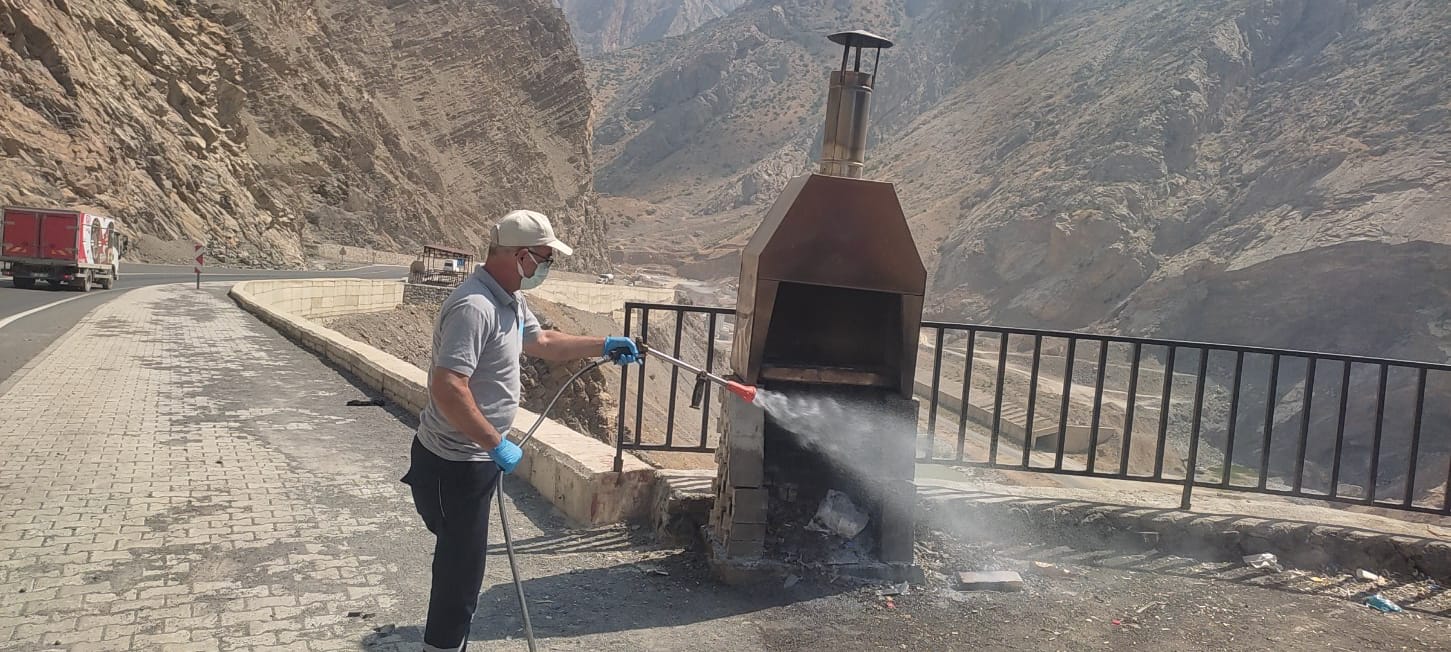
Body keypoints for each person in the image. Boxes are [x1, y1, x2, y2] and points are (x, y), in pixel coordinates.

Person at [401, 209, 640, 651]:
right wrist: (495, 443)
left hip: (474, 460)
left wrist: (602, 344)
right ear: (520, 256)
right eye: (545, 259)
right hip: (452, 463)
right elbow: (448, 385)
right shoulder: (475, 307)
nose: (546, 267)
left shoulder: (509, 300)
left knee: (463, 563)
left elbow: (542, 343)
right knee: (460, 571)